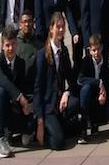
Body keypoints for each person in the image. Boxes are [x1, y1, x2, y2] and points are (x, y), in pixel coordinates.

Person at [33, 13, 80, 150]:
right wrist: (40, 120)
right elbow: (38, 88)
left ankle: (59, 127)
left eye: (63, 27)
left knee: (76, 102)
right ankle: (40, 131)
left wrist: (66, 92)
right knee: (59, 143)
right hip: (47, 107)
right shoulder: (42, 55)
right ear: (51, 28)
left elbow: (71, 79)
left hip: (59, 102)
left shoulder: (63, 51)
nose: (61, 30)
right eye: (58, 27)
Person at [0, 26, 35, 157]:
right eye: (7, 45)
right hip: (1, 105)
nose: (11, 48)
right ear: (2, 46)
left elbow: (23, 86)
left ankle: (11, 130)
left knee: (32, 123)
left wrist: (28, 105)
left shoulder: (20, 63)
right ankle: (0, 139)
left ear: (17, 43)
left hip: (15, 107)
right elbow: (2, 80)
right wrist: (20, 97)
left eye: (13, 44)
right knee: (1, 91)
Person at [76, 34, 109, 143]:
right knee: (85, 89)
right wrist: (98, 82)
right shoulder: (86, 61)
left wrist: (106, 96)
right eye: (93, 50)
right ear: (90, 50)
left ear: (101, 47)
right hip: (90, 96)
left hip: (101, 98)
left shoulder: (106, 62)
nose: (96, 53)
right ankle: (83, 128)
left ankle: (95, 122)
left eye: (98, 49)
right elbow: (80, 79)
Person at [16, 10, 42, 92]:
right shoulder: (14, 44)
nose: (27, 24)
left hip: (35, 85)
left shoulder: (39, 44)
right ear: (20, 24)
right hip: (19, 85)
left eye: (29, 21)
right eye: (24, 22)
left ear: (33, 23)